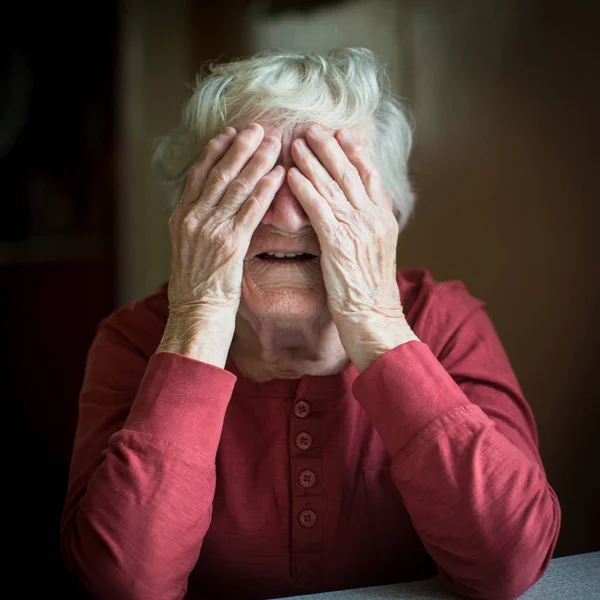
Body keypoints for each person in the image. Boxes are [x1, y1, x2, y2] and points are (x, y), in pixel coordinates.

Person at [60, 48, 561, 600]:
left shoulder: (442, 322)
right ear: (193, 214)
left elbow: (507, 564)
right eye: (250, 182)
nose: (289, 216)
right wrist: (198, 318)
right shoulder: (136, 340)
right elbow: (127, 584)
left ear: (388, 215)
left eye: (325, 184)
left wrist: (375, 324)